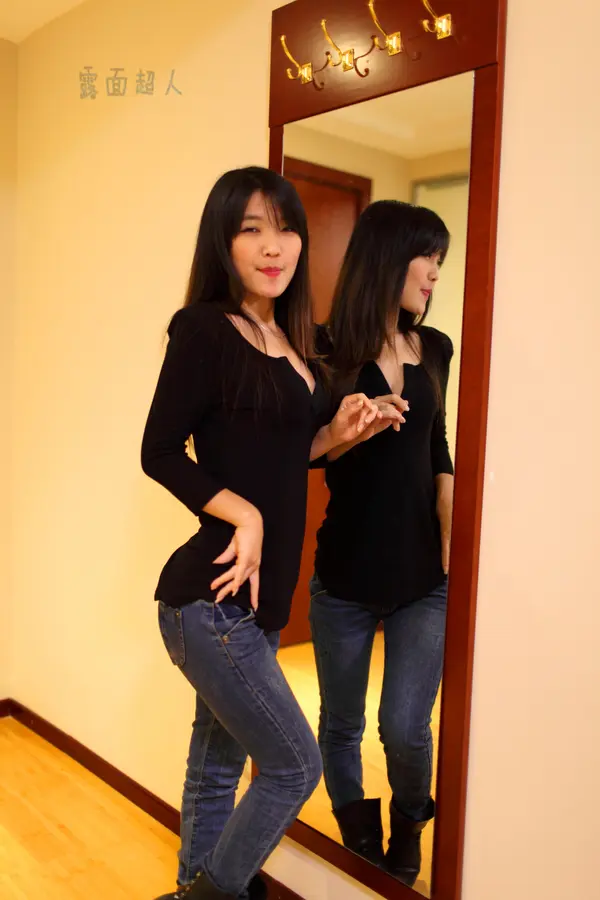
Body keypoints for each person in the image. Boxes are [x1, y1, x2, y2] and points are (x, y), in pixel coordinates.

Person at [141, 167, 399, 900]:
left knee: (216, 768)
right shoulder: (203, 329)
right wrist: (245, 514)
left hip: (257, 604)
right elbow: (159, 451)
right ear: (222, 242)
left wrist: (340, 433)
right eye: (251, 228)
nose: (272, 245)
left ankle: (194, 882)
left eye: (285, 228)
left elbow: (287, 455)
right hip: (210, 598)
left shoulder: (289, 340)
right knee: (295, 765)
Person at [309, 200, 454, 887]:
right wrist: (348, 433)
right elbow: (302, 454)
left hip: (423, 579)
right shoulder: (323, 349)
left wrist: (450, 525)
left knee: (403, 727)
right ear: (389, 257)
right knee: (340, 723)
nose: (435, 274)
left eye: (440, 261)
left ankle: (409, 822)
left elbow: (438, 444)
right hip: (343, 577)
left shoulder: (437, 348)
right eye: (427, 257)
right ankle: (358, 834)